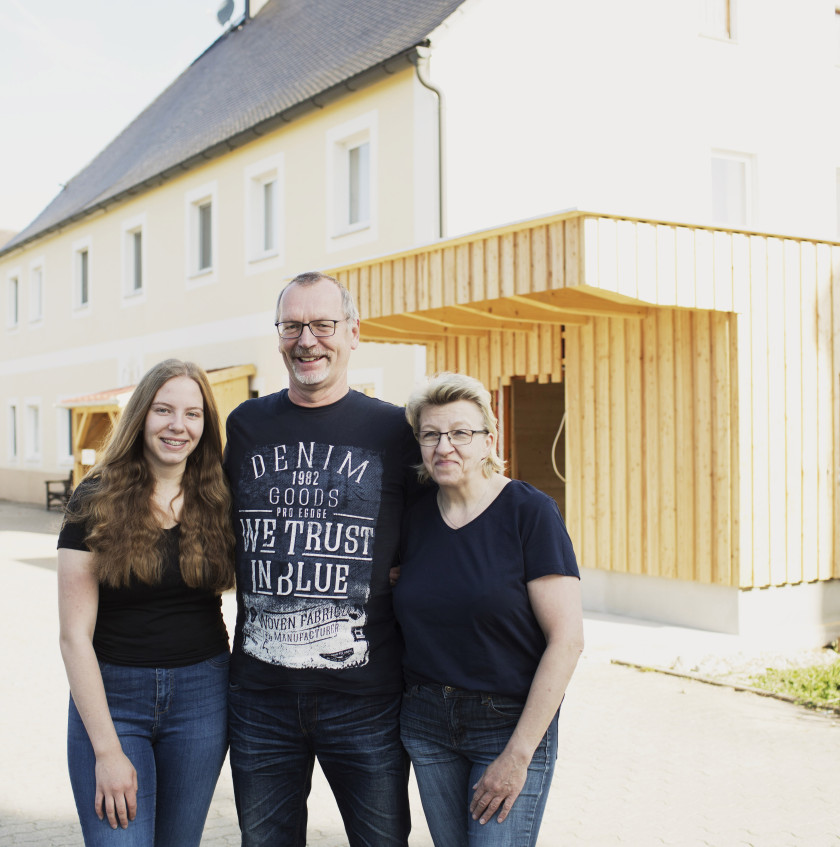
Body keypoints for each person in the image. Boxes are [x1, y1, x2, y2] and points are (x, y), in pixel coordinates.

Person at [222, 271, 423, 846]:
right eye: (292, 326)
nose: (307, 340)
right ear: (279, 335)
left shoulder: (394, 429)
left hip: (365, 697)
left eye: (323, 325)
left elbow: (429, 529)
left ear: (353, 333)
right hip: (260, 698)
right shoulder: (247, 424)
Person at [393, 372, 584, 847]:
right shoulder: (414, 518)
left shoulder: (529, 512)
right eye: (431, 435)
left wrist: (518, 755)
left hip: (506, 724)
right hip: (426, 722)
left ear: (488, 441)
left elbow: (568, 640)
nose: (444, 447)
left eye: (460, 433)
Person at [57, 358, 236, 846]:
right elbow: (74, 637)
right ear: (141, 416)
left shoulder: (220, 496)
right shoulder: (94, 498)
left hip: (203, 696)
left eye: (193, 414)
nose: (178, 426)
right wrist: (108, 751)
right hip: (114, 700)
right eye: (164, 410)